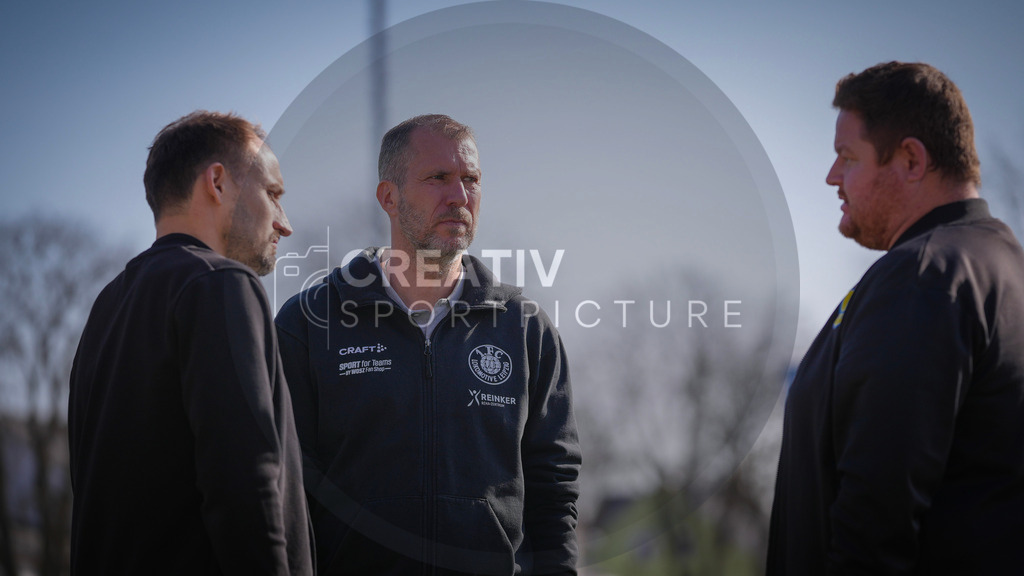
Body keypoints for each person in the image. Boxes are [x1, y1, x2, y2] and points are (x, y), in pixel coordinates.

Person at [275, 114, 581, 575]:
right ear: (389, 197)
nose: (459, 196)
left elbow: (554, 491)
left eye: (470, 180)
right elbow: (284, 490)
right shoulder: (309, 323)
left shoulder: (525, 330)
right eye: (438, 177)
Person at [767, 62, 1024, 574]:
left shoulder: (924, 276)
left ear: (910, 159)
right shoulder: (999, 266)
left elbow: (875, 514)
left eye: (847, 157)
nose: (831, 177)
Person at [68, 111, 314, 575]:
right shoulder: (220, 285)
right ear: (217, 183)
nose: (285, 224)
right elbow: (246, 479)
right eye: (273, 194)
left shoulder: (108, 305)